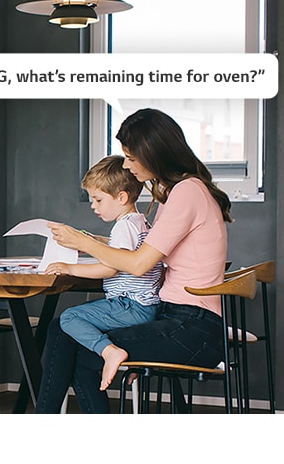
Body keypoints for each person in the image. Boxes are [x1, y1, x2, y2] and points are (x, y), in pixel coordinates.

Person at [35, 108, 233, 413]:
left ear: (152, 153)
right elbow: (140, 252)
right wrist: (89, 241)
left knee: (70, 338)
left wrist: (84, 242)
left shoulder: (186, 193)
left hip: (192, 329)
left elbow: (139, 264)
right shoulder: (181, 192)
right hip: (179, 319)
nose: (127, 165)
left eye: (130, 157)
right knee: (66, 332)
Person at [45, 155, 166, 391]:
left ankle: (109, 352)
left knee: (68, 318)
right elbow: (117, 252)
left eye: (98, 199)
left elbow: (110, 268)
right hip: (147, 305)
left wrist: (70, 268)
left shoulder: (123, 226)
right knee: (72, 322)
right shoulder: (139, 222)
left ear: (122, 197)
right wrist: (92, 241)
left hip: (130, 306)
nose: (93, 205)